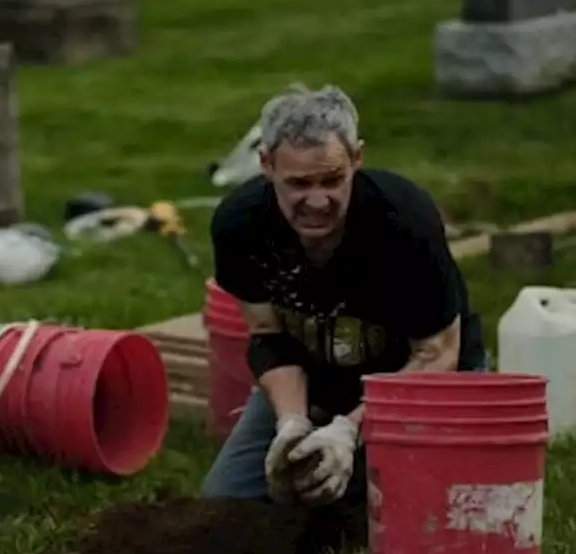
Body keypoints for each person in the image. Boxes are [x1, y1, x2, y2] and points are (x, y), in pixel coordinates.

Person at [200, 84, 487, 509]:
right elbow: (267, 334)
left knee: (413, 507)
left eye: (333, 180)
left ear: (357, 158)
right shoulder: (241, 227)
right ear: (265, 165)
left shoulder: (404, 222)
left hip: (422, 380)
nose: (317, 201)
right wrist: (292, 423)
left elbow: (437, 353)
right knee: (227, 502)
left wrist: (348, 431)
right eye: (298, 184)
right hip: (316, 378)